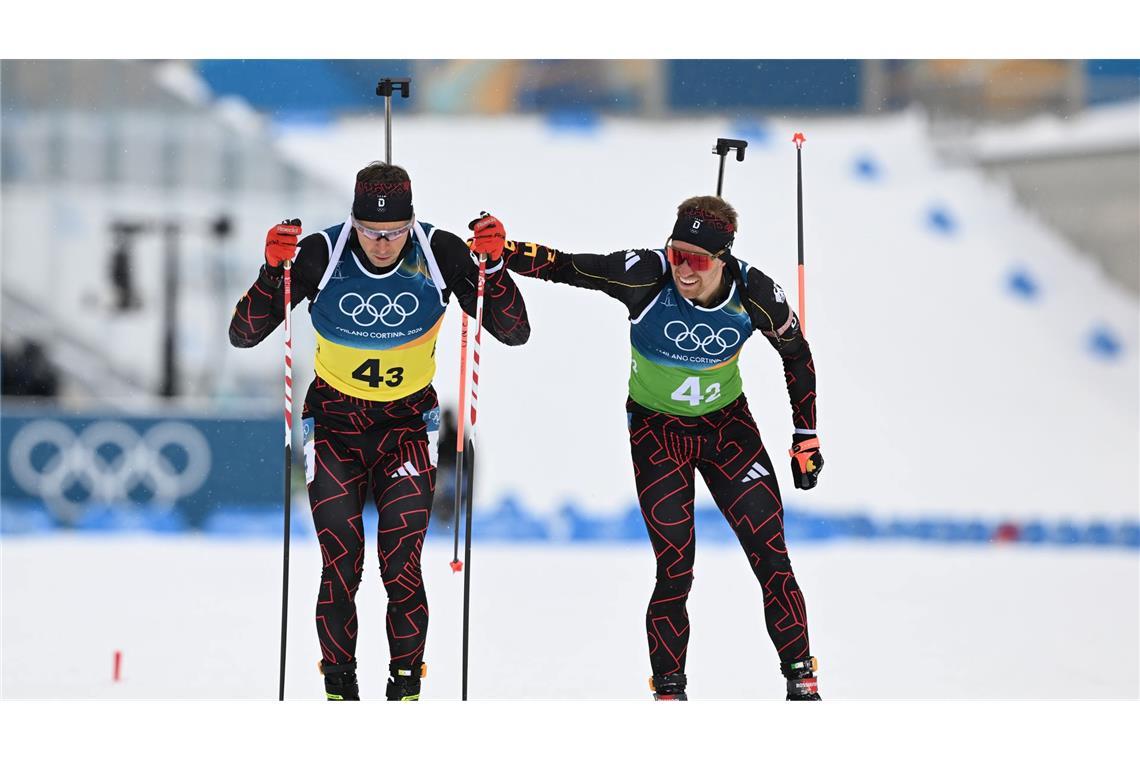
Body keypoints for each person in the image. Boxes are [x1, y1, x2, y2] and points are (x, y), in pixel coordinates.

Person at [473, 196, 824, 700]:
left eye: (697, 259)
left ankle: (802, 683)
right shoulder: (645, 275)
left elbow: (797, 355)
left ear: (723, 257)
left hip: (728, 431)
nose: (683, 268)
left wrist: (805, 435)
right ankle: (669, 693)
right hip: (657, 434)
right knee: (676, 569)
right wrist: (503, 251)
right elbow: (569, 267)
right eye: (677, 253)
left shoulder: (756, 292)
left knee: (772, 559)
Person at [229, 162, 530, 700]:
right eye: (370, 232)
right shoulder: (322, 253)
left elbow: (514, 331)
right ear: (353, 221)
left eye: (395, 232)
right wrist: (272, 273)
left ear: (411, 221)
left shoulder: (438, 253)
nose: (383, 244)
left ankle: (405, 690)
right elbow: (243, 335)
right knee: (341, 565)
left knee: (401, 567)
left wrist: (496, 268)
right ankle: (340, 690)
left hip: (406, 428)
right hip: (335, 426)